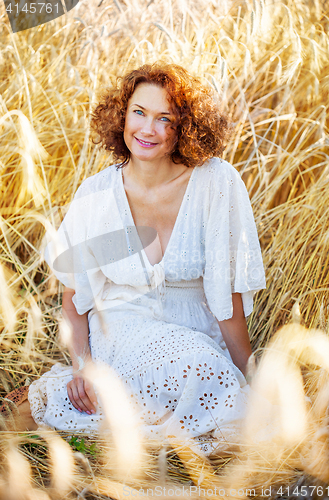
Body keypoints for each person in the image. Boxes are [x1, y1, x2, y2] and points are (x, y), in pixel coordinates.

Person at [1, 62, 266, 455]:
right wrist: (82, 367)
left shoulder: (216, 183)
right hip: (120, 334)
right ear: (122, 115)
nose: (147, 129)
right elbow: (74, 299)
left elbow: (227, 299)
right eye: (139, 113)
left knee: (221, 391)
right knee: (194, 377)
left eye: (165, 119)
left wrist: (250, 376)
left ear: (185, 127)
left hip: (197, 342)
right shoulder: (97, 197)